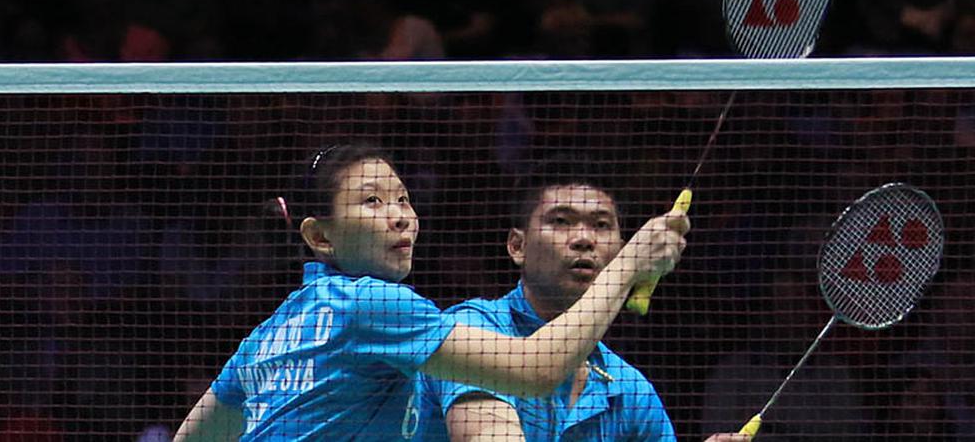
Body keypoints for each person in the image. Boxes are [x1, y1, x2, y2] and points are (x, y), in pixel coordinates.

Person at [173, 144, 689, 440]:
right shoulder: (372, 305)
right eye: (372, 202)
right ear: (319, 237)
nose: (401, 216)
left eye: (402, 198)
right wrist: (629, 265)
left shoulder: (270, 332)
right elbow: (537, 369)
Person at [421, 160, 747, 442]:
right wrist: (629, 269)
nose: (583, 239)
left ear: (620, 246)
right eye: (561, 220)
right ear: (517, 246)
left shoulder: (628, 391)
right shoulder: (473, 330)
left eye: (602, 225)